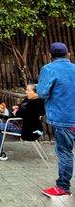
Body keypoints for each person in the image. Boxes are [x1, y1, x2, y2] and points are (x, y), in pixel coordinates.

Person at [37, 42, 75, 198]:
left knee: (65, 152)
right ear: (68, 54)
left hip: (63, 118)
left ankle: (63, 187)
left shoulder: (49, 69)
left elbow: (42, 92)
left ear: (49, 56)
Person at [0, 84, 45, 161]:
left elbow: (26, 115)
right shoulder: (29, 99)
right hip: (18, 123)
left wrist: (17, 112)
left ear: (36, 93)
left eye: (28, 90)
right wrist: (17, 107)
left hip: (25, 128)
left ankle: (0, 153)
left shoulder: (37, 103)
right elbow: (21, 106)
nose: (26, 92)